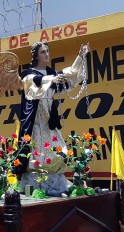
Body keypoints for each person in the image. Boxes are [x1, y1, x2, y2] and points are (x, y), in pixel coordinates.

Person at [18, 41, 90, 195]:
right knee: (36, 150)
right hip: (35, 120)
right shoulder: (28, 73)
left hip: (49, 119)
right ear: (36, 56)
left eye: (47, 51)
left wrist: (80, 57)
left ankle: (54, 182)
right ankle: (35, 186)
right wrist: (50, 80)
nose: (47, 54)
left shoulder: (51, 73)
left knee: (59, 150)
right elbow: (32, 81)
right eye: (43, 52)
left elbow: (69, 74)